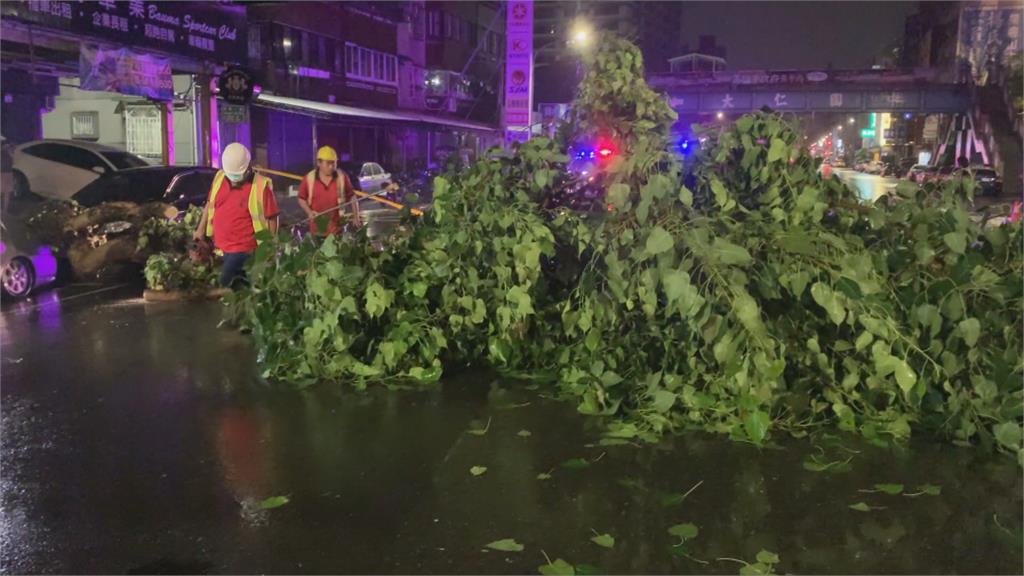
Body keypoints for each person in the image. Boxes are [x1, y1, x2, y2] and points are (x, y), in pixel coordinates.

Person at [193, 142, 279, 288]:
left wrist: (269, 248)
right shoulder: (219, 178)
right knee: (239, 288)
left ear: (248, 167)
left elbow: (272, 218)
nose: (234, 180)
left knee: (225, 283)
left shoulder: (261, 186)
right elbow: (210, 203)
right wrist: (201, 229)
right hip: (220, 247)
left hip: (244, 249)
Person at [297, 145, 360, 237]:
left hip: (338, 230)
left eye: (333, 163)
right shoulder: (309, 179)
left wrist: (356, 216)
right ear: (319, 163)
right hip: (317, 231)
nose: (331, 167)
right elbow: (301, 198)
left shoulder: (342, 177)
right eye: (328, 163)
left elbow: (352, 197)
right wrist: (309, 212)